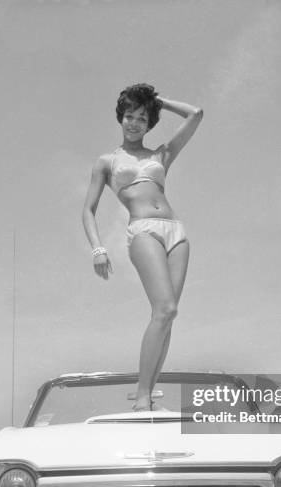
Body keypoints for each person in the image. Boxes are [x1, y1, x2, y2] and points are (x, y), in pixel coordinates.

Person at [82, 83, 203, 411]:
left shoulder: (161, 155)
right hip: (143, 230)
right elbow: (87, 210)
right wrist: (98, 249)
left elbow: (196, 115)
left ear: (149, 123)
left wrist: (157, 101)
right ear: (120, 118)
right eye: (129, 116)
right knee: (165, 309)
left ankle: (148, 394)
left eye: (141, 117)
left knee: (168, 317)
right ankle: (142, 396)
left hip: (176, 232)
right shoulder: (107, 162)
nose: (134, 123)